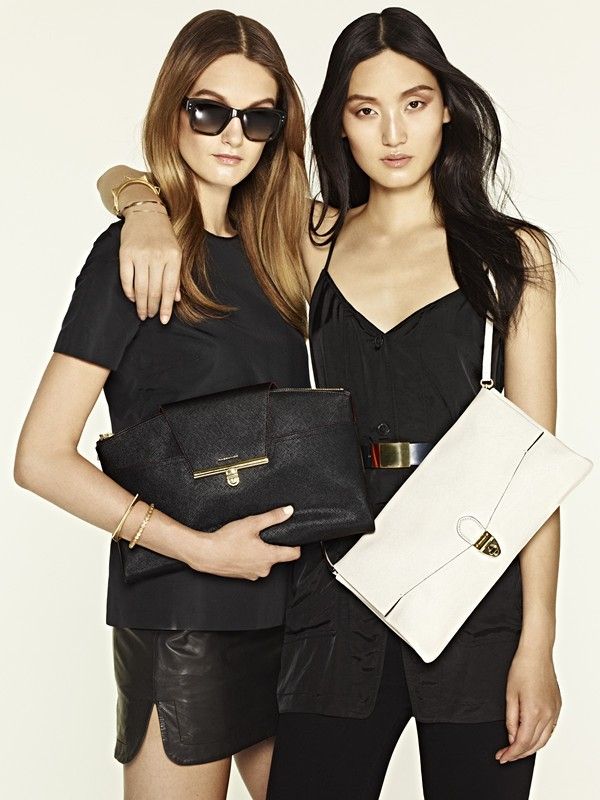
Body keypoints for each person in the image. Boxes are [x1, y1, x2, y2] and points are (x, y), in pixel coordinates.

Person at [96, 8, 562, 799]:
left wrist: (537, 645)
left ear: (447, 109)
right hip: (334, 589)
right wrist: (140, 206)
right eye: (365, 109)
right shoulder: (311, 239)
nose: (394, 133)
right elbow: (168, 180)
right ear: (339, 125)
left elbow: (536, 473)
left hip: (474, 597)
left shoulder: (512, 256)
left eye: (414, 104)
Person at [13, 10, 313, 800]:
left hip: (296, 607)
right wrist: (201, 550)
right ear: (173, 108)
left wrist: (136, 196)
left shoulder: (286, 250)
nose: (233, 136)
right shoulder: (132, 257)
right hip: (184, 612)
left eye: (258, 118)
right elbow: (40, 458)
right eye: (209, 110)